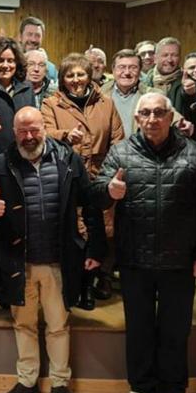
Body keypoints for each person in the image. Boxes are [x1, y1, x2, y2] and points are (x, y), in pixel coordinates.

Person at [97, 92, 196, 393]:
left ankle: (173, 389)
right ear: (137, 119)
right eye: (145, 113)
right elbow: (96, 192)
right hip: (134, 258)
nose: (152, 119)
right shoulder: (120, 153)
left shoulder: (194, 153)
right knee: (138, 330)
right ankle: (140, 387)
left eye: (159, 112)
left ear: (170, 117)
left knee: (175, 331)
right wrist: (109, 191)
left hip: (179, 260)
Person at [0, 107, 104, 393]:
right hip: (18, 262)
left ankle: (60, 383)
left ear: (44, 128)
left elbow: (89, 203)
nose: (29, 137)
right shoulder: (1, 163)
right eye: (22, 131)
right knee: (23, 324)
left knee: (58, 325)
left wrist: (96, 247)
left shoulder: (68, 159)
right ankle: (27, 382)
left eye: (34, 130)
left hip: (59, 260)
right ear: (14, 133)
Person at [42, 53, 124, 305]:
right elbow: (44, 132)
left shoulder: (106, 102)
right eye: (70, 75)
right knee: (72, 231)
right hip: (67, 176)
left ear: (89, 76)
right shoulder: (51, 103)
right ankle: (73, 286)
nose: (76, 80)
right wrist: (66, 135)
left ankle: (91, 283)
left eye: (80, 74)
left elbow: (118, 139)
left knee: (98, 231)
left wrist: (111, 170)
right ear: (62, 79)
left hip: (100, 175)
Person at [100, 49, 192, 139]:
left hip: (139, 151)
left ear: (140, 71)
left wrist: (180, 122)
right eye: (122, 67)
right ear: (113, 70)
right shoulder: (100, 93)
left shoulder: (152, 94)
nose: (127, 72)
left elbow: (168, 111)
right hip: (108, 152)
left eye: (133, 67)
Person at [139, 36, 196, 131]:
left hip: (179, 139)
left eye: (174, 55)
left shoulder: (187, 81)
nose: (170, 60)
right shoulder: (144, 83)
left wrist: (190, 92)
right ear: (155, 58)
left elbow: (194, 97)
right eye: (165, 55)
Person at [19, 16, 57, 81]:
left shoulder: (50, 69)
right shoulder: (11, 65)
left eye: (37, 35)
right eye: (29, 34)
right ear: (20, 37)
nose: (33, 40)